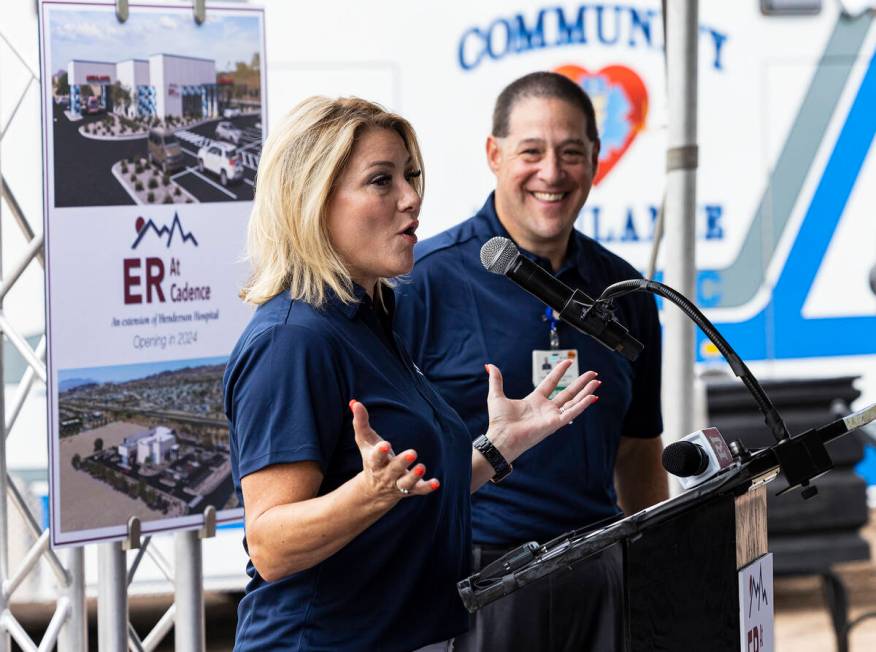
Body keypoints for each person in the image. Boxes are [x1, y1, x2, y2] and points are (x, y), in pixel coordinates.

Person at [223, 96, 602, 652]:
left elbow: (410, 487)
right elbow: (271, 545)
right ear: (312, 199)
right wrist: (369, 494)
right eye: (382, 181)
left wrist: (498, 447)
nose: (411, 199)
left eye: (412, 175)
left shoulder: (369, 319)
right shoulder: (292, 338)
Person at [395, 71, 669, 651]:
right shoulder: (423, 282)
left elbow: (639, 448)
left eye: (572, 152)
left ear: (596, 158)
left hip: (601, 570)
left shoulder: (626, 293)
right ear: (493, 155)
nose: (552, 172)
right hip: (474, 581)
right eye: (531, 152)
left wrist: (656, 567)